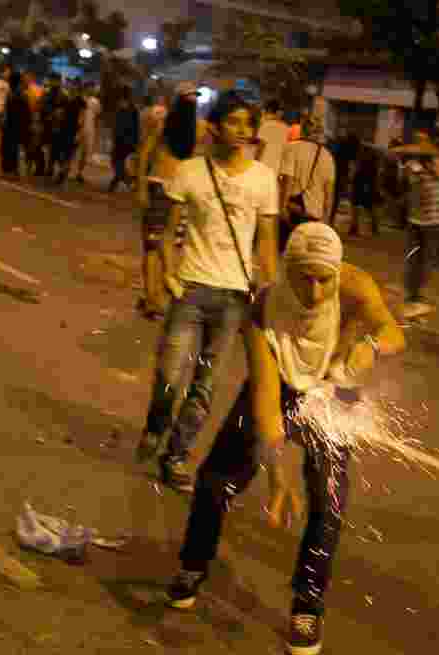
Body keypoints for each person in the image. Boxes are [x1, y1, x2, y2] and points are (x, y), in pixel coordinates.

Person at [165, 222, 406, 655]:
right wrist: (278, 478)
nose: (315, 292)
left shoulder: (355, 286)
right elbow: (267, 405)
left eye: (324, 279)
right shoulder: (262, 310)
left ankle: (307, 604)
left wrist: (370, 345)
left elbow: (395, 334)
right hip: (280, 388)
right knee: (216, 481)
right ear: (287, 270)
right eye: (304, 278)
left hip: (332, 390)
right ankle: (193, 565)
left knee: (328, 502)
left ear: (337, 272)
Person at [136, 90, 279, 493]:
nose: (241, 130)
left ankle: (176, 457)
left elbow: (266, 240)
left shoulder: (263, 180)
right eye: (233, 122)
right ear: (215, 125)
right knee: (169, 375)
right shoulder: (190, 171)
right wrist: (167, 274)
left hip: (234, 296)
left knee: (206, 386)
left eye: (247, 124)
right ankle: (156, 423)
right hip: (192, 288)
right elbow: (168, 232)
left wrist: (267, 285)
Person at [135, 82, 205, 318]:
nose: (191, 103)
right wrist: (142, 187)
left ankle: (156, 297)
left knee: (164, 246)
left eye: (194, 99)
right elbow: (145, 153)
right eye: (189, 99)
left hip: (178, 192)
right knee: (156, 245)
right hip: (161, 188)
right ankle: (152, 297)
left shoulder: (198, 129)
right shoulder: (166, 125)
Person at [391, 130, 439, 318]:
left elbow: (431, 154)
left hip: (434, 221)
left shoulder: (437, 163)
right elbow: (397, 155)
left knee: (426, 260)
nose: (420, 145)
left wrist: (413, 149)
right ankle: (412, 296)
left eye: (423, 142)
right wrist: (407, 151)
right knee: (414, 259)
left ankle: (417, 297)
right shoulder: (414, 165)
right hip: (417, 220)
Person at [278, 112, 336, 250]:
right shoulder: (327, 156)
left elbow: (288, 180)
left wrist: (282, 206)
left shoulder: (292, 148)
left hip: (293, 215)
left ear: (303, 129)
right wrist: (326, 221)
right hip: (315, 219)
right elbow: (329, 194)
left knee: (285, 257)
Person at [51, 80, 85, 185]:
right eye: (71, 85)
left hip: (73, 130)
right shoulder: (64, 99)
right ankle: (63, 171)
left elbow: (81, 117)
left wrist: (79, 133)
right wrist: (57, 119)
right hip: (62, 129)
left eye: (74, 85)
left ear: (78, 88)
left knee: (68, 154)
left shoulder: (81, 101)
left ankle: (62, 173)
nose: (71, 87)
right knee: (58, 152)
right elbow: (59, 112)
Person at [107, 86, 139, 193]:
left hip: (121, 141)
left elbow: (118, 126)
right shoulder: (134, 108)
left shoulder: (122, 108)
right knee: (119, 163)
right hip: (130, 141)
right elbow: (136, 126)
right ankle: (114, 183)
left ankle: (129, 182)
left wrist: (114, 138)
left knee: (116, 162)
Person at [349, 143, 383, 238]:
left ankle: (355, 227)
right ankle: (372, 228)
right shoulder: (372, 163)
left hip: (362, 187)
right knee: (369, 209)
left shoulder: (364, 162)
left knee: (359, 208)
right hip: (366, 187)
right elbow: (375, 178)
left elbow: (357, 175)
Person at [0, 71, 29, 179]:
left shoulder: (13, 93)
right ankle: (11, 170)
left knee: (9, 147)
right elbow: (25, 112)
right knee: (12, 148)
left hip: (11, 125)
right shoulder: (19, 94)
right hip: (15, 125)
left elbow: (7, 110)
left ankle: (9, 170)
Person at [328, 128, 360, 226]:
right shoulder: (351, 149)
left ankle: (329, 219)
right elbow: (353, 163)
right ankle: (330, 220)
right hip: (341, 174)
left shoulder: (339, 145)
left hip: (332, 171)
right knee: (335, 198)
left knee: (330, 197)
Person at [73, 83, 101, 183]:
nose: (91, 90)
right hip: (78, 129)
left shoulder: (95, 102)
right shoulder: (81, 99)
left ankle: (79, 173)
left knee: (85, 153)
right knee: (74, 150)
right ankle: (69, 169)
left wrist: (96, 130)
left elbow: (98, 117)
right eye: (89, 88)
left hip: (89, 130)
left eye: (92, 88)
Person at [254, 99, 289, 175]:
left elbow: (260, 147)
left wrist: (255, 163)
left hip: (263, 165)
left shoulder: (266, 125)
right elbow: (285, 150)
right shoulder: (286, 128)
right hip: (277, 167)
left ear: (269, 111)